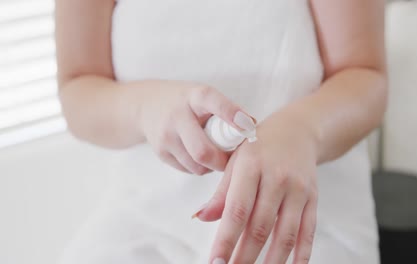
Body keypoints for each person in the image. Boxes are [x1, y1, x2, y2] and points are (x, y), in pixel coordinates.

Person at [55, 0, 387, 263]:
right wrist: (143, 107)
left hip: (300, 227)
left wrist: (303, 129)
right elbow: (78, 89)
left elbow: (364, 76)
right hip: (145, 222)